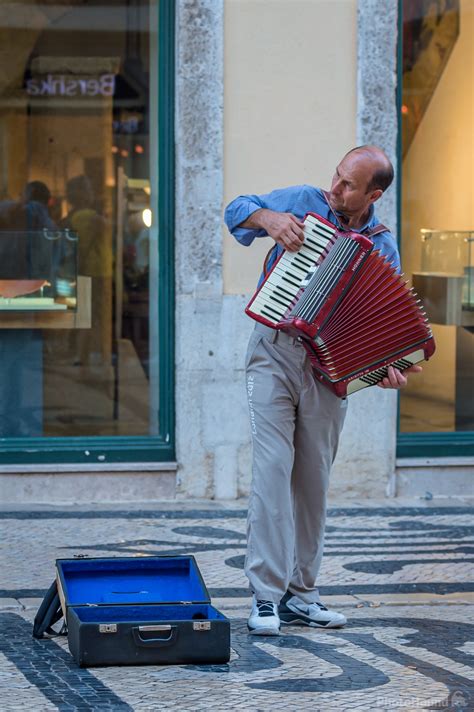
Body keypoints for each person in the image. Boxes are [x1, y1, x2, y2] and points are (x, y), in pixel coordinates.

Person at [224, 145, 422, 635]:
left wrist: (386, 369)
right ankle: (265, 597)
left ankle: (302, 593)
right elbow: (235, 209)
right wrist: (268, 219)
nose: (335, 189)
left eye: (348, 185)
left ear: (373, 194)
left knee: (312, 482)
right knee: (272, 470)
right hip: (272, 351)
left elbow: (381, 327)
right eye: (336, 177)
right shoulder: (302, 200)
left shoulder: (382, 245)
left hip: (328, 372)